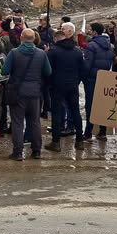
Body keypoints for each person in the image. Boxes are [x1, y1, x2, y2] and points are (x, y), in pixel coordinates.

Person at [2, 28, 52, 161]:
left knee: (17, 123)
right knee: (35, 122)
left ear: (22, 38)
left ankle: (18, 152)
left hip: (18, 93)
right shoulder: (41, 54)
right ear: (34, 39)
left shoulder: (14, 53)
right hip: (35, 93)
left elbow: (4, 71)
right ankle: (36, 151)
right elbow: (48, 72)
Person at [45, 23, 85, 152]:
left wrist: (50, 84)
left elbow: (48, 70)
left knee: (56, 113)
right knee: (75, 112)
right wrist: (76, 81)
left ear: (56, 39)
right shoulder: (77, 51)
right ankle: (80, 141)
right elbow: (82, 70)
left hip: (57, 86)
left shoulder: (53, 51)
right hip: (72, 85)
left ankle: (56, 142)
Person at [83, 23, 114, 141]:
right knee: (102, 106)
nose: (90, 31)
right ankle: (102, 131)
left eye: (91, 30)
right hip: (105, 79)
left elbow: (87, 65)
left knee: (90, 106)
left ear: (95, 32)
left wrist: (84, 78)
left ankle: (88, 133)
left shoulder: (91, 46)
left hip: (92, 79)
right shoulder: (110, 46)